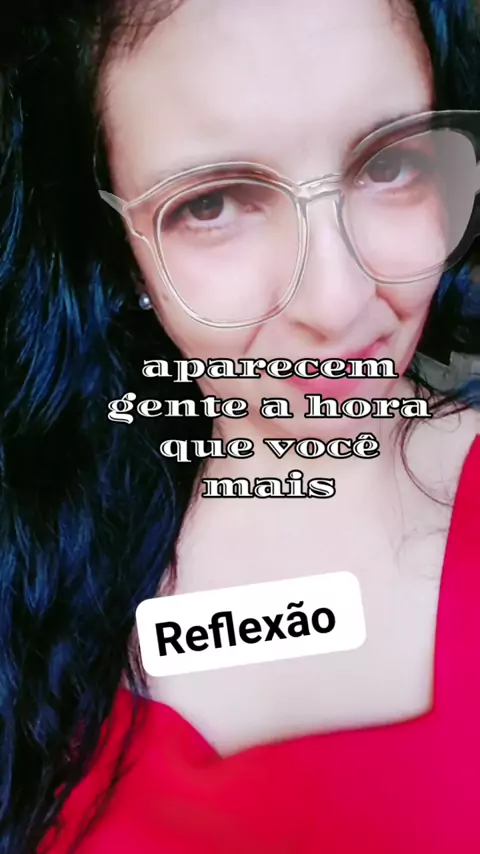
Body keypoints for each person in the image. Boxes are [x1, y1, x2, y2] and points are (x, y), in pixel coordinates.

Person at [0, 0, 479, 851]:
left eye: (390, 162)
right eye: (213, 203)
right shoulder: (32, 555)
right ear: (114, 249)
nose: (337, 301)